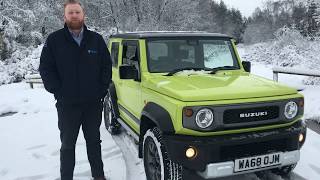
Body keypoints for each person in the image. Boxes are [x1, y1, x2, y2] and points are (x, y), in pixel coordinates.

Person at [39, 0, 111, 179]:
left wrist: (101, 90)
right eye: (70, 12)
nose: (74, 15)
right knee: (67, 145)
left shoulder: (96, 39)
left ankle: (99, 176)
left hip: (92, 105)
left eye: (77, 12)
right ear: (64, 16)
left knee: (94, 143)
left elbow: (106, 66)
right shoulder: (54, 40)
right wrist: (57, 89)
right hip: (67, 105)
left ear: (83, 14)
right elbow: (46, 68)